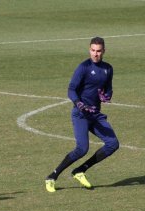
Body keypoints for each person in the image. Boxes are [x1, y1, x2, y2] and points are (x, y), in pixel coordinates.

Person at [45, 37, 119, 192]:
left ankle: (80, 170)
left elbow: (108, 89)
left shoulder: (108, 69)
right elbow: (71, 89)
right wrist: (79, 103)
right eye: (93, 50)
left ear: (104, 51)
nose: (95, 54)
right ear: (89, 50)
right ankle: (52, 176)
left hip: (95, 114)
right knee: (82, 149)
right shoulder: (83, 67)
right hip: (80, 114)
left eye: (99, 51)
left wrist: (106, 96)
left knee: (113, 144)